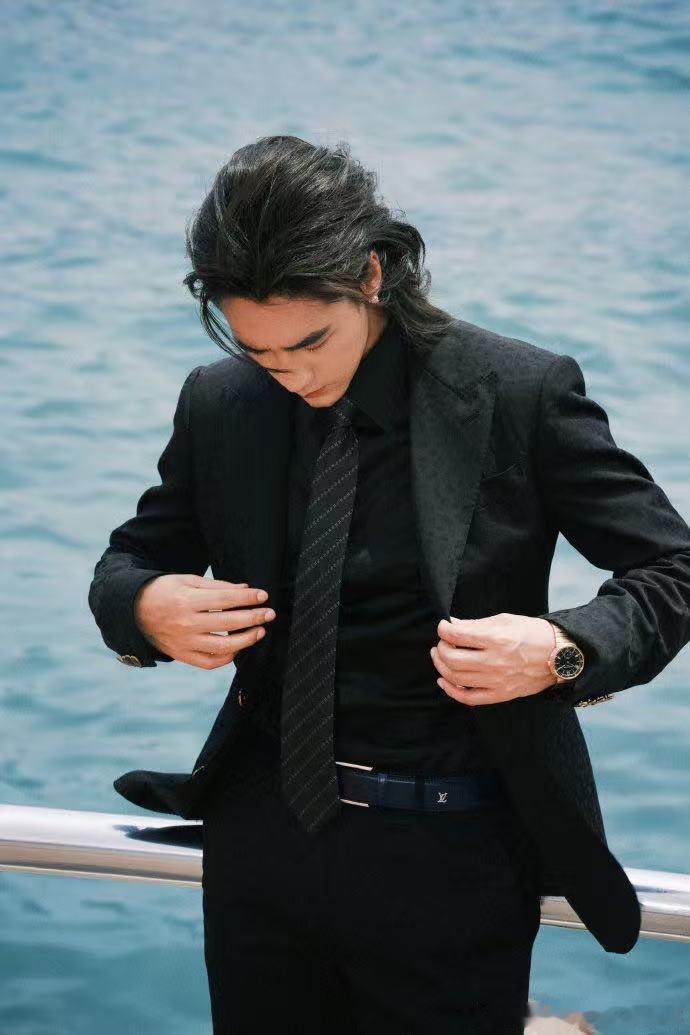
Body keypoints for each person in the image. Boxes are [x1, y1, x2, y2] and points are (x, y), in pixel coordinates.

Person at [88, 135, 690, 1033]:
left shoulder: (519, 391)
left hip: (451, 858)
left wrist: (565, 646)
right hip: (260, 846)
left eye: (309, 341)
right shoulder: (221, 402)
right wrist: (144, 607)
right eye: (259, 350)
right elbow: (126, 564)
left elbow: (673, 568)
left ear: (371, 275)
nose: (291, 372)